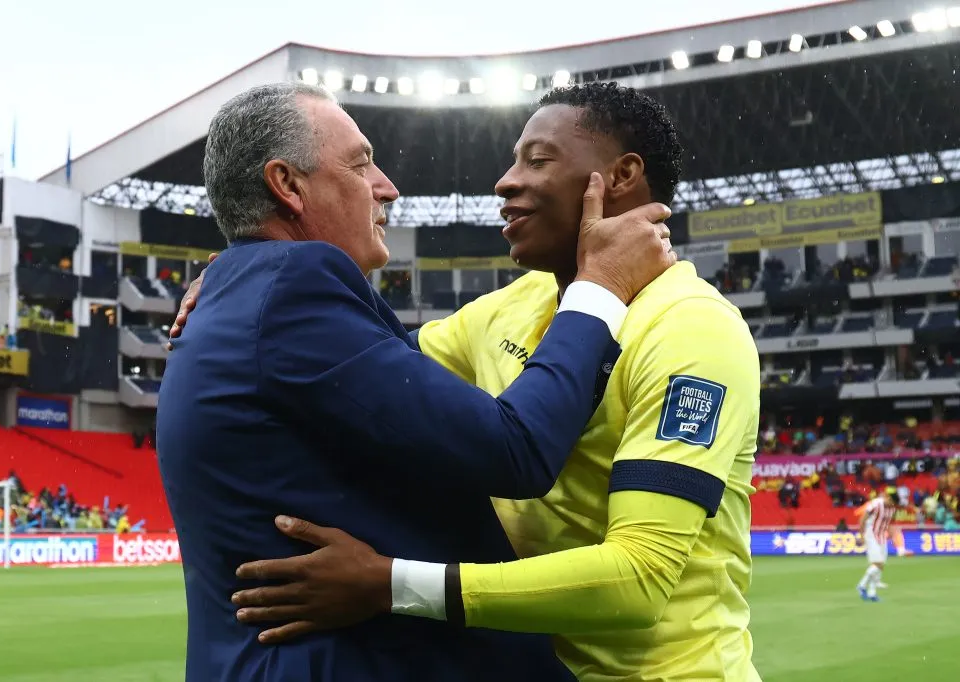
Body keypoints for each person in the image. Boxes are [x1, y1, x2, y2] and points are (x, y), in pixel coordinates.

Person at [173, 83, 761, 681]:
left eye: (538, 160)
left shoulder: (693, 329)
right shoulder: (514, 306)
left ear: (621, 176)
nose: (505, 182)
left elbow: (639, 579)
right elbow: (369, 370)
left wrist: (390, 583)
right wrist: (249, 269)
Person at [856, 489, 899, 602]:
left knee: (880, 566)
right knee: (878, 563)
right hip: (871, 534)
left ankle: (872, 593)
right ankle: (861, 585)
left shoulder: (893, 509)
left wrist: (891, 536)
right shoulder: (876, 504)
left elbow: (889, 523)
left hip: (881, 536)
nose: (889, 503)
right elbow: (862, 520)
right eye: (889, 500)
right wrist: (861, 535)